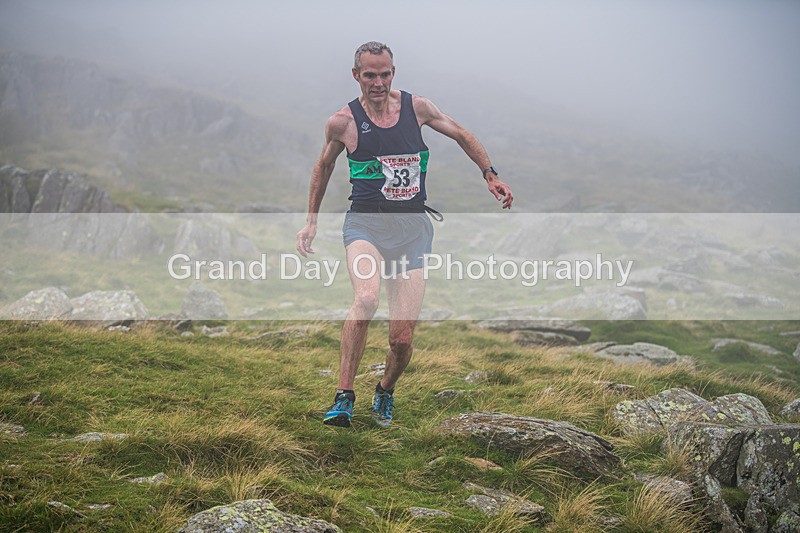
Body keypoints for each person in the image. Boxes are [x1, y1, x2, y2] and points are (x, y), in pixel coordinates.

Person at [296, 41, 513, 428]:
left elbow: (462, 134)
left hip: (413, 231)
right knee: (365, 299)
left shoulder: (418, 108)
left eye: (385, 74)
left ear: (393, 72)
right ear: (356, 75)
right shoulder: (342, 122)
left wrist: (490, 175)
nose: (378, 82)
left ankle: (385, 390)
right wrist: (311, 220)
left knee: (401, 339)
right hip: (365, 224)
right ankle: (343, 396)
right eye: (369, 75)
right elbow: (323, 166)